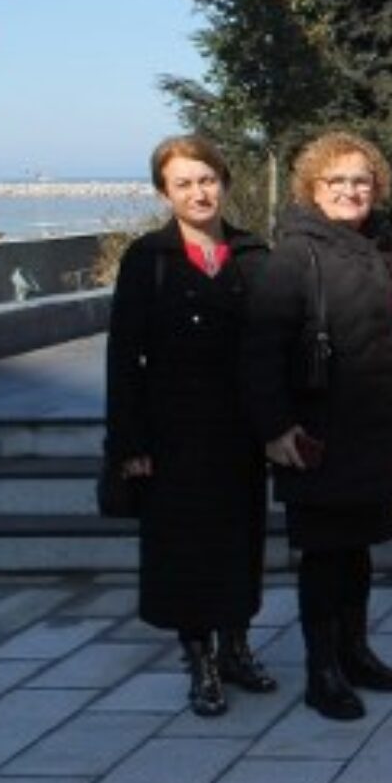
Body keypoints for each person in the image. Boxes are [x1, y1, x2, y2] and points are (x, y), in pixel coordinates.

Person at [244, 132, 392, 721]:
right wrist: (275, 428)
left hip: (374, 426)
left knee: (357, 554)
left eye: (361, 181)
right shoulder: (295, 256)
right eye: (338, 181)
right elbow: (260, 351)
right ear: (312, 188)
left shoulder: (378, 246)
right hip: (319, 433)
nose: (352, 191)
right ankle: (322, 672)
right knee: (325, 556)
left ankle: (355, 653)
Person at [105, 135, 274, 717]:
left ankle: (236, 647)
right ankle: (199, 658)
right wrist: (129, 443)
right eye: (183, 183)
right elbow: (123, 356)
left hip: (241, 432)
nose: (198, 192)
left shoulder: (254, 254)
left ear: (223, 182)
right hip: (173, 433)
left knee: (240, 542)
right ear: (164, 192)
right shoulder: (147, 260)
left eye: (206, 180)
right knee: (185, 549)